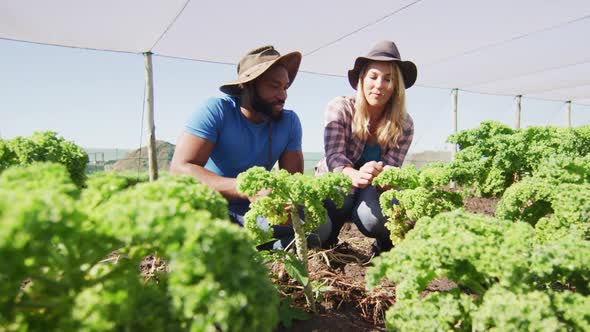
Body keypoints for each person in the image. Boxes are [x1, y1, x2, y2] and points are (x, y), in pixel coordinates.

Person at [170, 45, 329, 250]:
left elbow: (292, 182)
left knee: (321, 226)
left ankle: (262, 249)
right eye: (274, 86)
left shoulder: (288, 122)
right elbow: (179, 169)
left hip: (257, 212)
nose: (283, 95)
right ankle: (259, 248)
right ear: (248, 85)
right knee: (202, 235)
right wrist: (245, 188)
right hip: (214, 208)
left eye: (285, 87)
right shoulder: (217, 110)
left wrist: (286, 206)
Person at [315, 40, 416, 254]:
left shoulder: (404, 124)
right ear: (362, 79)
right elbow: (334, 156)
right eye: (373, 77)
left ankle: (384, 247)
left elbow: (392, 168)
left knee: (374, 219)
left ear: (396, 86)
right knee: (338, 196)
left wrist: (384, 176)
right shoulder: (340, 108)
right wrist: (353, 174)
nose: (379, 85)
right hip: (338, 180)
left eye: (388, 79)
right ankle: (329, 244)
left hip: (372, 187)